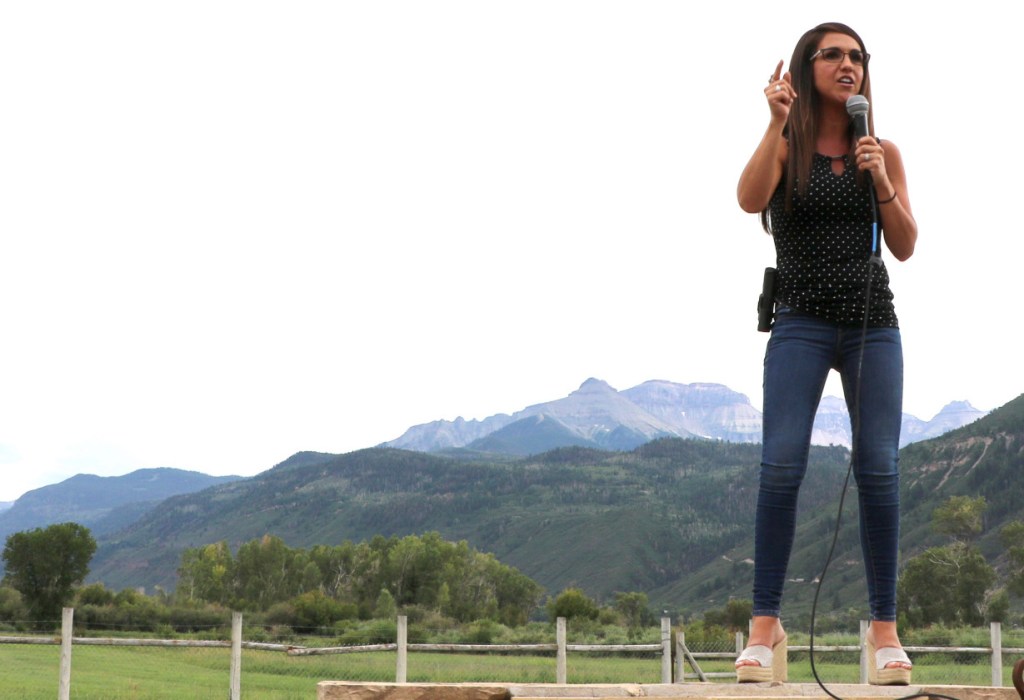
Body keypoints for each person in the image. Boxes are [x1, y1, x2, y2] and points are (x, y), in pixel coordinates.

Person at [734, 22, 917, 685]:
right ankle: (765, 629)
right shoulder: (788, 144)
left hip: (872, 325)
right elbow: (749, 199)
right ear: (807, 67)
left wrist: (881, 179)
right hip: (801, 322)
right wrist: (775, 124)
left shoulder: (881, 150)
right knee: (781, 465)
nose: (848, 65)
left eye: (857, 57)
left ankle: (883, 632)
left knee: (879, 469)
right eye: (832, 55)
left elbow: (905, 245)